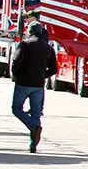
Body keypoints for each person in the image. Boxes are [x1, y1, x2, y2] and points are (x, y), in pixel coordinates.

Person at [11, 22, 56, 153]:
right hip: (38, 85)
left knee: (16, 109)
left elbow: (16, 60)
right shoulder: (48, 48)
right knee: (36, 113)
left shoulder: (24, 44)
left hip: (23, 83)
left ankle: (33, 126)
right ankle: (33, 145)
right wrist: (43, 75)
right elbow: (53, 69)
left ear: (29, 31)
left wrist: (15, 74)